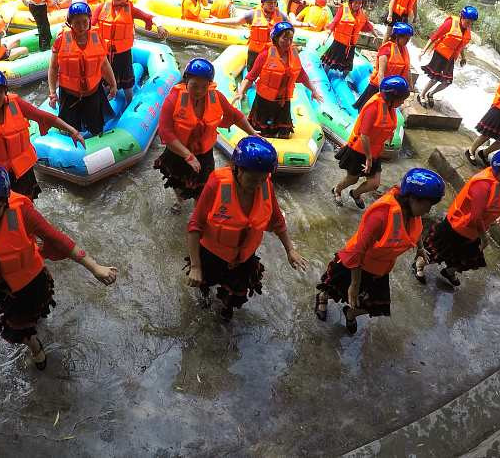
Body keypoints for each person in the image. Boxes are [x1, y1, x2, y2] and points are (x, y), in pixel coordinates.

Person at [0, 164, 117, 370]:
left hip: (31, 284)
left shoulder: (22, 212)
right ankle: (32, 337)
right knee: (21, 321)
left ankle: (35, 347)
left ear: (3, 202)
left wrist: (95, 267)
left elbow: (58, 240)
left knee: (17, 330)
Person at [186, 136, 308, 321]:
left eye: (262, 178)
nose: (257, 185)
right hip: (212, 254)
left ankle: (225, 318)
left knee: (234, 298)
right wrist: (195, 266)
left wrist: (290, 249)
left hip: (243, 258)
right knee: (204, 286)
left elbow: (277, 220)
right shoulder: (218, 184)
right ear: (237, 169)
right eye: (253, 179)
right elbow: (195, 225)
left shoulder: (265, 185)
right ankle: (204, 297)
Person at [315, 168, 444, 334]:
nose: (428, 211)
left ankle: (350, 313)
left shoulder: (412, 212)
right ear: (413, 198)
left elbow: (415, 229)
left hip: (379, 268)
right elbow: (358, 250)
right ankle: (322, 298)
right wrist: (355, 284)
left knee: (377, 306)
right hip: (355, 264)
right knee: (333, 288)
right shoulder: (380, 215)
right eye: (427, 205)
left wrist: (419, 248)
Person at [155, 58, 256, 213]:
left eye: (204, 86)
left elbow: (235, 115)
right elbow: (165, 132)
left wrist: (253, 133)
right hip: (178, 152)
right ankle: (179, 201)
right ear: (186, 80)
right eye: (195, 86)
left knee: (202, 189)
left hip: (204, 154)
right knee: (176, 182)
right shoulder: (173, 99)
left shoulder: (216, 97)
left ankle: (198, 215)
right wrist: (188, 155)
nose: (199, 91)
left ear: (209, 84)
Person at [414, 151, 500, 287]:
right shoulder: (482, 185)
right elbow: (475, 218)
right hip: (457, 227)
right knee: (435, 251)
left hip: (474, 231)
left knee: (469, 258)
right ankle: (418, 265)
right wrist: (484, 237)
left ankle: (449, 271)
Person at [0, 71, 84, 200]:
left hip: (23, 169)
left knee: (27, 204)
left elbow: (43, 117)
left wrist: (73, 131)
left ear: (4, 92)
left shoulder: (15, 104)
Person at [332, 75, 409, 209]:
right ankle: (337, 189)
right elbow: (364, 135)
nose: (402, 103)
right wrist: (368, 158)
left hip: (374, 151)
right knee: (352, 178)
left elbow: (384, 124)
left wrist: (389, 134)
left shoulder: (388, 105)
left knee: (374, 183)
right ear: (392, 97)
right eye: (401, 99)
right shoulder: (373, 107)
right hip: (359, 150)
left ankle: (355, 194)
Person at [235, 22, 324, 138]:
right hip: (264, 102)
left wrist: (313, 90)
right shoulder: (264, 55)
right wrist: (241, 92)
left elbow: (302, 75)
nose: (288, 42)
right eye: (284, 38)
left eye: (290, 39)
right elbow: (250, 77)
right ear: (276, 38)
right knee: (261, 133)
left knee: (284, 133)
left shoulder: (294, 55)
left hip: (283, 101)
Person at [93, 0, 168, 103]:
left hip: (123, 53)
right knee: (104, 80)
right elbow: (90, 24)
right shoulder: (101, 7)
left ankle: (129, 102)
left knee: (127, 81)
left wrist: (159, 26)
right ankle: (102, 103)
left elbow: (148, 17)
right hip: (105, 53)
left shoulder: (130, 9)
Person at [48, 2, 118, 136]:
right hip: (69, 94)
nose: (81, 27)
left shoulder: (96, 37)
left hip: (93, 92)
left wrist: (113, 84)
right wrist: (52, 92)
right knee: (68, 129)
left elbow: (104, 64)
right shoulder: (61, 39)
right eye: (77, 23)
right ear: (70, 23)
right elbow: (53, 68)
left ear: (90, 20)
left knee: (96, 127)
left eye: (85, 22)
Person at [208, 0, 288, 72]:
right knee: (251, 72)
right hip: (255, 52)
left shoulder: (281, 15)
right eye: (269, 2)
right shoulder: (253, 14)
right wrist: (218, 20)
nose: (272, 5)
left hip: (271, 52)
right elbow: (237, 21)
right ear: (263, 2)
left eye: (275, 3)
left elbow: (289, 28)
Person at [418, 5, 478, 107]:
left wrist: (463, 57)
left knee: (447, 81)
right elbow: (435, 36)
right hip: (441, 54)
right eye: (468, 21)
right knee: (435, 78)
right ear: (462, 17)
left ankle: (431, 94)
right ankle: (421, 95)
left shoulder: (466, 29)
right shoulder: (450, 23)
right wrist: (424, 50)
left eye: (471, 22)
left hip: (450, 57)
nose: (469, 24)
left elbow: (461, 44)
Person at [353, 22, 413, 110]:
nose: (407, 41)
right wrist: (383, 92)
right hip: (379, 86)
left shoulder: (404, 50)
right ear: (397, 36)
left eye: (409, 39)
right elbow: (381, 73)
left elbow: (407, 69)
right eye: (406, 38)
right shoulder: (386, 49)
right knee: (367, 108)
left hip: (394, 87)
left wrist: (410, 85)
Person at [321, 0, 375, 73]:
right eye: (355, 3)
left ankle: (343, 80)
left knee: (348, 66)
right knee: (330, 61)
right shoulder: (344, 9)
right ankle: (324, 75)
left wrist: (374, 33)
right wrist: (327, 35)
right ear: (351, 2)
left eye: (360, 3)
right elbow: (335, 22)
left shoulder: (361, 13)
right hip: (339, 42)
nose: (357, 5)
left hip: (351, 45)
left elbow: (367, 24)